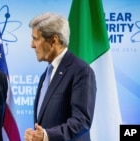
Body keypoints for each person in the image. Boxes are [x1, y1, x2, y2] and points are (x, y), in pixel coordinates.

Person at [24, 12, 97, 141]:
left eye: (35, 39)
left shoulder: (81, 71)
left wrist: (47, 136)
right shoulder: (45, 75)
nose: (32, 45)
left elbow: (82, 121)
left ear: (54, 41)